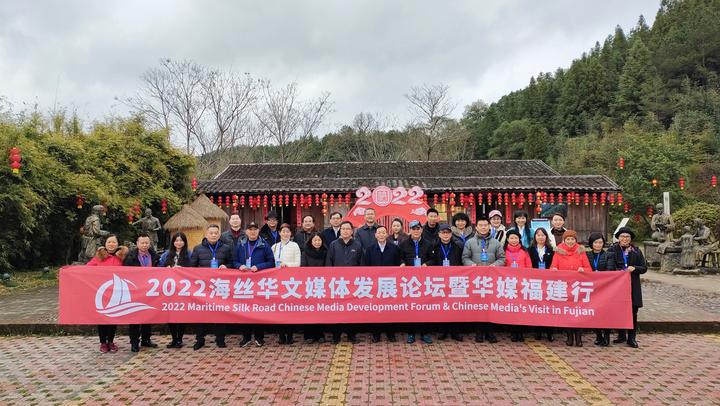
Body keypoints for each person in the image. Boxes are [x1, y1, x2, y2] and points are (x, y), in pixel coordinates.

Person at [190, 224, 234, 350]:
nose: (213, 235)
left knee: (220, 313)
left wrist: (226, 266)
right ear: (206, 234)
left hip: (220, 287)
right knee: (201, 314)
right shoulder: (198, 249)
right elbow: (191, 267)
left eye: (216, 233)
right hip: (203, 287)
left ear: (219, 234)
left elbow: (232, 263)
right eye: (211, 233)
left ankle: (220, 339)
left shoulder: (226, 248)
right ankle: (200, 340)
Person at [462, 216, 505, 343]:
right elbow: (465, 258)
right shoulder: (470, 242)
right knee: (478, 305)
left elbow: (502, 258)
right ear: (476, 227)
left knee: (490, 305)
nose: (483, 227)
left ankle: (490, 332)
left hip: (491, 279)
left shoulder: (496, 242)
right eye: (480, 225)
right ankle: (479, 332)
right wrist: (472, 265)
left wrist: (494, 266)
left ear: (489, 226)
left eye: (485, 225)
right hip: (476, 279)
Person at [236, 221, 275, 347]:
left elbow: (271, 262)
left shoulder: (264, 245)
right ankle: (246, 337)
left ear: (258, 231)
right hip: (244, 283)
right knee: (244, 311)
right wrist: (239, 266)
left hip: (259, 282)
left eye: (255, 229)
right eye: (250, 229)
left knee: (258, 310)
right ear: (246, 232)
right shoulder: (241, 244)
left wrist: (259, 267)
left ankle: (259, 337)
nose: (252, 232)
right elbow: (233, 261)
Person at [606, 226, 647, 349]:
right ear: (618, 238)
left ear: (630, 239)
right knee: (618, 310)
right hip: (617, 286)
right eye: (622, 236)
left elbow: (644, 268)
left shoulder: (636, 251)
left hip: (632, 285)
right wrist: (619, 271)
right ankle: (621, 335)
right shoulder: (612, 250)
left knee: (633, 311)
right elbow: (609, 266)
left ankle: (632, 338)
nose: (625, 239)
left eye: (627, 237)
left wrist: (635, 268)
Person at [87, 234, 128, 353]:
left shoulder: (122, 257)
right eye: (109, 242)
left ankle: (111, 341)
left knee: (113, 318)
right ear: (105, 244)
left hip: (116, 291)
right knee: (102, 318)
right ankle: (103, 342)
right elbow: (87, 269)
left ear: (118, 244)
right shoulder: (99, 257)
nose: (111, 244)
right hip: (102, 292)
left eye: (114, 242)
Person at [550, 230, 591, 347]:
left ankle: (578, 338)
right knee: (568, 313)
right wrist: (554, 270)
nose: (570, 241)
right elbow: (552, 267)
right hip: (564, 287)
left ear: (575, 240)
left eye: (572, 239)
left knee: (578, 313)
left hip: (578, 287)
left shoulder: (581, 252)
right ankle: (569, 337)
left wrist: (583, 270)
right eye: (568, 239)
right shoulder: (558, 252)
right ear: (564, 240)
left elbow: (589, 269)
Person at [326, 221, 364, 343]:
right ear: (340, 231)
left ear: (352, 231)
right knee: (336, 310)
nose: (345, 231)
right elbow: (329, 262)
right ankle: (336, 335)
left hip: (353, 283)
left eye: (348, 229)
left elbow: (361, 264)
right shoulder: (333, 244)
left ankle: (351, 334)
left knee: (351, 309)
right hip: (337, 283)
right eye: (343, 229)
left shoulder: (357, 245)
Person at [363, 225, 402, 343]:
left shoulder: (394, 248)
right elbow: (366, 267)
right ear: (375, 235)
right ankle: (376, 334)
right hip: (375, 284)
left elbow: (398, 264)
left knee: (390, 309)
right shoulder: (370, 249)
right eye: (379, 233)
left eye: (383, 233)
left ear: (387, 234)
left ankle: (391, 333)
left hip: (389, 284)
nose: (381, 235)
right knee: (376, 309)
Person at [399, 220, 434, 344]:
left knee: (424, 306)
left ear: (421, 230)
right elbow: (400, 257)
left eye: (418, 228)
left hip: (424, 280)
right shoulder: (403, 244)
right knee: (411, 307)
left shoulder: (428, 244)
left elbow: (433, 259)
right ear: (410, 230)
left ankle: (425, 333)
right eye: (413, 229)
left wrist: (427, 264)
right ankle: (411, 333)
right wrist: (402, 263)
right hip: (409, 280)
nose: (416, 231)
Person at [123, 233, 159, 352]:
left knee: (148, 316)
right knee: (135, 317)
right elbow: (125, 273)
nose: (144, 245)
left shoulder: (154, 256)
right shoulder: (130, 257)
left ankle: (146, 339)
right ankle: (134, 342)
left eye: (146, 243)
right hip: (135, 290)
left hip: (150, 290)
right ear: (137, 244)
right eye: (142, 243)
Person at [430, 224, 465, 342]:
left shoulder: (458, 246)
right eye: (443, 232)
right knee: (441, 305)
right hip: (439, 280)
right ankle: (442, 330)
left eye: (447, 233)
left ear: (451, 234)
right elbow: (432, 261)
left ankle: (456, 331)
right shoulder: (434, 246)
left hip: (455, 279)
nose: (445, 235)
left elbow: (462, 261)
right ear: (439, 234)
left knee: (455, 305)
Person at [158, 232, 193, 349]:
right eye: (176, 240)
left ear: (185, 242)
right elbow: (159, 267)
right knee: (170, 313)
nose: (179, 243)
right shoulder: (166, 254)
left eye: (181, 240)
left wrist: (183, 270)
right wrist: (166, 268)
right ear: (173, 242)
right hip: (170, 289)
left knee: (182, 313)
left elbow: (194, 269)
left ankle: (180, 339)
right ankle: (174, 338)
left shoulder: (189, 254)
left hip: (184, 289)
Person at [272, 223, 301, 345]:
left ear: (291, 234)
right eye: (283, 231)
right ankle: (281, 335)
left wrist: (287, 265)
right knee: (279, 308)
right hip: (277, 281)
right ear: (279, 233)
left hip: (291, 281)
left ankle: (290, 335)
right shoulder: (274, 247)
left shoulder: (294, 245)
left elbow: (298, 263)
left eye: (287, 232)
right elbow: (271, 263)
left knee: (289, 308)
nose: (285, 234)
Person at [504, 229, 532, 342]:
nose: (514, 240)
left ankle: (520, 332)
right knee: (512, 308)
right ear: (507, 239)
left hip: (522, 284)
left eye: (516, 238)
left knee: (521, 308)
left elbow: (529, 266)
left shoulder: (524, 251)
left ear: (519, 239)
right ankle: (513, 332)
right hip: (509, 284)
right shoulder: (503, 251)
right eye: (511, 238)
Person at [528, 228, 555, 341]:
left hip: (548, 281)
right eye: (538, 235)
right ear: (535, 237)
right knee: (537, 307)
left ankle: (550, 332)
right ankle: (538, 331)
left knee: (548, 307)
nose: (540, 237)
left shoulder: (551, 250)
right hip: (535, 282)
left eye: (543, 235)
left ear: (546, 237)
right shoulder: (530, 250)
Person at [300, 232, 328, 343]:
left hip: (322, 285)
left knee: (320, 310)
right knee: (309, 310)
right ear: (311, 241)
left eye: (319, 240)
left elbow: (327, 267)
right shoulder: (305, 252)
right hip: (309, 285)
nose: (317, 242)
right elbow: (303, 267)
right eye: (315, 240)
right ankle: (308, 335)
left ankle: (320, 334)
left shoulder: (326, 252)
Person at [586, 232, 610, 347]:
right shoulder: (587, 255)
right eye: (595, 242)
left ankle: (607, 336)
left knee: (606, 313)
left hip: (605, 288)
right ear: (591, 243)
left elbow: (610, 271)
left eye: (600, 242)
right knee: (595, 312)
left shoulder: (608, 255)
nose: (598, 245)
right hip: (592, 288)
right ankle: (598, 335)